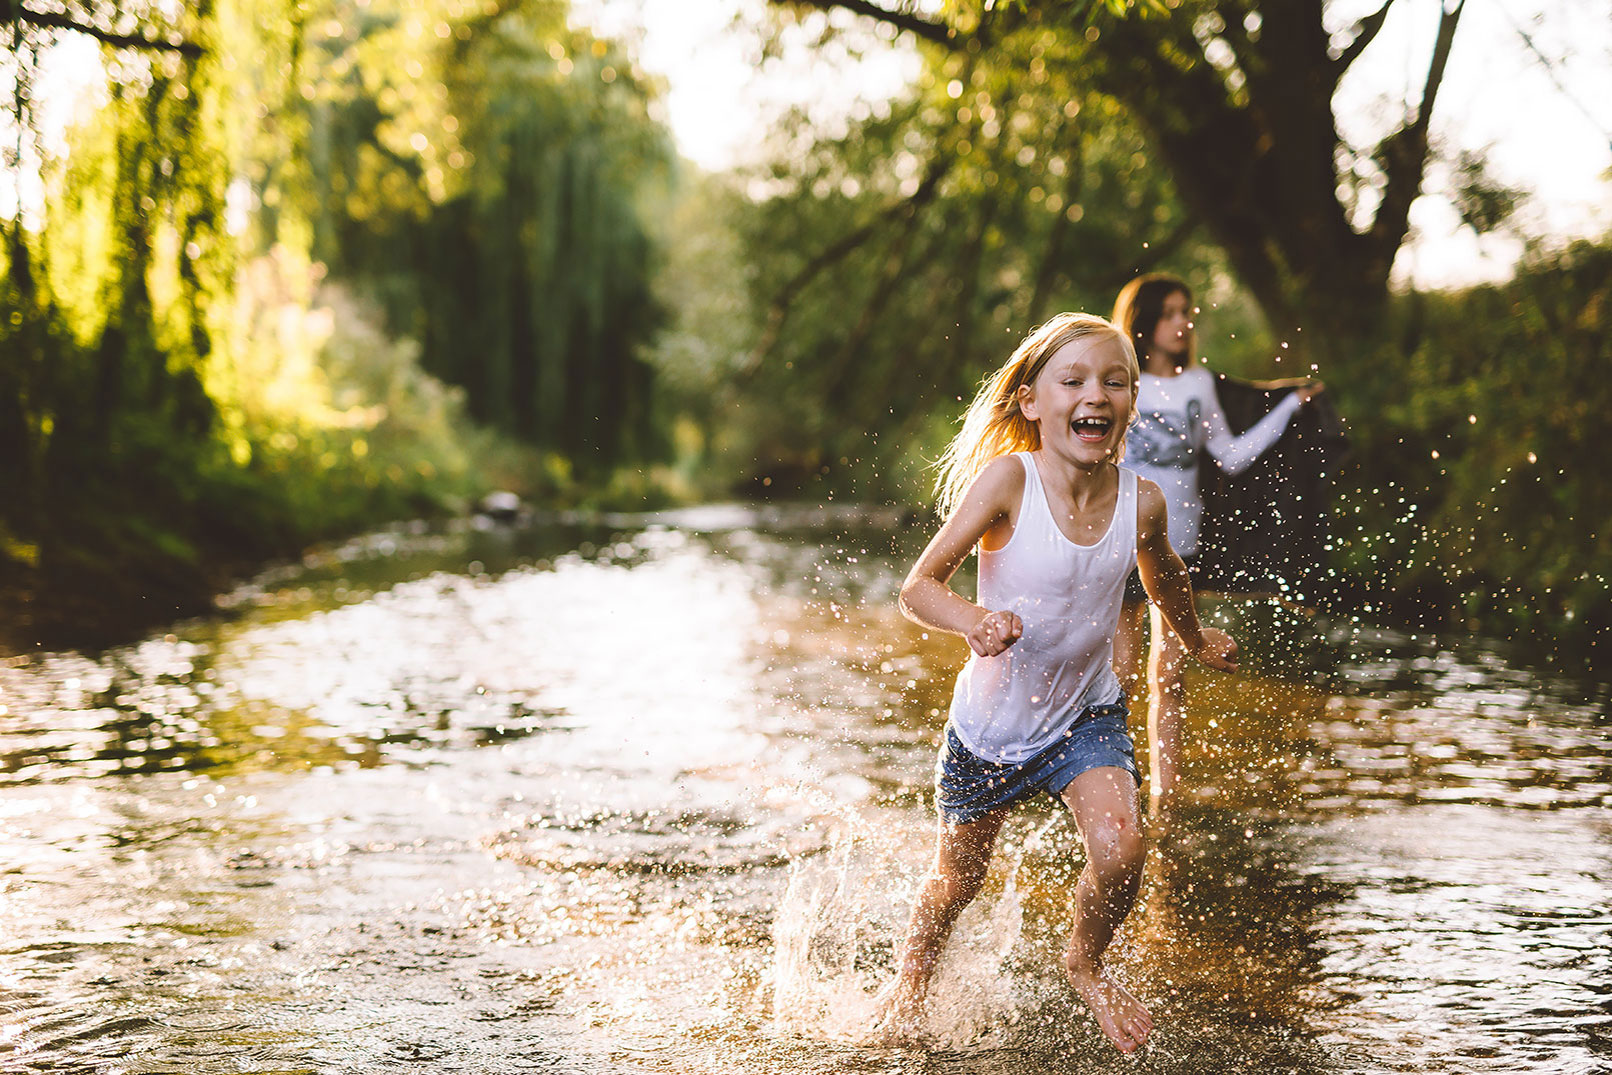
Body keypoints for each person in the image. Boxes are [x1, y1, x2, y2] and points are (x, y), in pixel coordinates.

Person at [870, 312, 1238, 1054]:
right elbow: (918, 587)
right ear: (1032, 401)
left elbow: (1165, 575)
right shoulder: (1011, 481)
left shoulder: (1142, 500)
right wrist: (974, 620)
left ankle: (1085, 963)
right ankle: (907, 987)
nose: (1094, 394)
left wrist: (1195, 638)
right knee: (956, 882)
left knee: (1122, 846)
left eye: (1114, 382)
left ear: (1130, 403)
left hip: (1083, 717)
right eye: (1073, 381)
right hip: (991, 730)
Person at [1110, 274, 1323, 812]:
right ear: (1145, 322)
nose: (1183, 323)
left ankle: (1167, 796)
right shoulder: (1120, 381)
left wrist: (1288, 408)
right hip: (1121, 540)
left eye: (1187, 312)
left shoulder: (1199, 384)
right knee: (1122, 675)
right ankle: (1113, 787)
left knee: (1171, 675)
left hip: (1181, 543)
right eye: (1170, 313)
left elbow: (1229, 456)